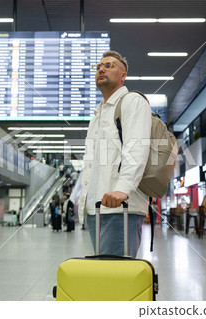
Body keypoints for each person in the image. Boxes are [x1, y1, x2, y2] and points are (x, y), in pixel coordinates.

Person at [78, 51, 151, 258]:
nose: (101, 69)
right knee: (107, 278)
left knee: (115, 280)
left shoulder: (132, 102)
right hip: (97, 209)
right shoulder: (99, 113)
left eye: (109, 65)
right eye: (99, 66)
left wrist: (123, 189)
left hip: (120, 209)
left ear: (123, 75)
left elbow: (137, 148)